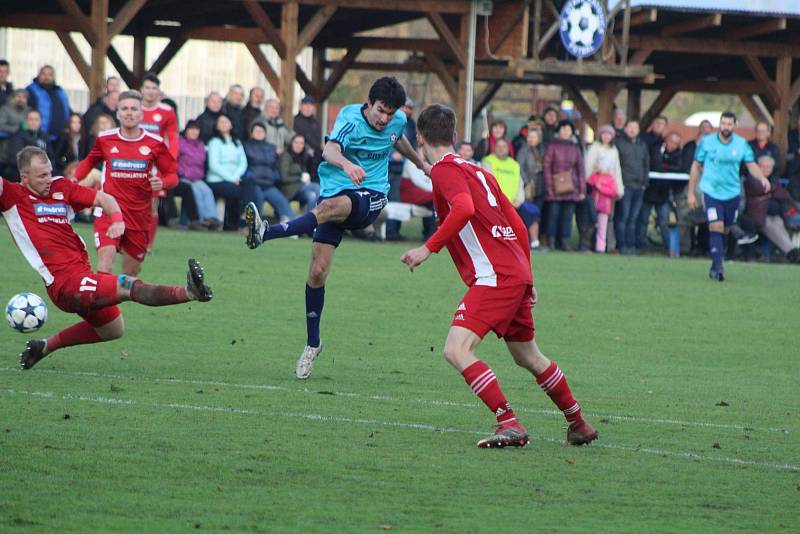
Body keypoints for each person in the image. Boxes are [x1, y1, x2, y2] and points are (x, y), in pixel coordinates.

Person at [399, 103, 598, 448]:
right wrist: (529, 279)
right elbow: (518, 225)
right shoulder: (479, 172)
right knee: (527, 356)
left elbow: (463, 209)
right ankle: (578, 423)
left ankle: (509, 422)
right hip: (514, 272)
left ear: (420, 137)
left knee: (456, 349)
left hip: (494, 276)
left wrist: (426, 249)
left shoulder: (448, 171)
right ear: (455, 135)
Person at [243, 76, 429, 379]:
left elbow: (400, 140)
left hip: (372, 196)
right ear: (369, 104)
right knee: (317, 273)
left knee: (328, 208)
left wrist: (423, 165)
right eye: (380, 110)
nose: (384, 119)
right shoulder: (350, 118)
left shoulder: (396, 122)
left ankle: (266, 232)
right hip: (337, 189)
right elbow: (329, 151)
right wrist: (346, 164)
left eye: (390, 113)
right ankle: (313, 344)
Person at [1, 147, 213, 371]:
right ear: (24, 177)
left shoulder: (60, 186)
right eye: (41, 176)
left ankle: (43, 347)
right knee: (126, 285)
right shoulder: (12, 195)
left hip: (83, 274)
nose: (48, 179)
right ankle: (190, 292)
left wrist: (118, 219)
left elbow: (103, 197)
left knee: (113, 329)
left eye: (49, 172)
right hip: (65, 284)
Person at [74, 90, 178, 277]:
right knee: (105, 266)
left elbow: (172, 175)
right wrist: (75, 178)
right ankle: (101, 305)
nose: (129, 113)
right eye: (124, 109)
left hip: (138, 215)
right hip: (107, 210)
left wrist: (161, 182)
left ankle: (118, 298)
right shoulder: (105, 139)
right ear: (118, 113)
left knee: (130, 276)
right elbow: (89, 161)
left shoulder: (155, 143)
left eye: (133, 109)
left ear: (141, 113)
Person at [688, 112, 771, 281]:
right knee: (716, 226)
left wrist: (762, 177)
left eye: (729, 124)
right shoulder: (707, 142)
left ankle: (717, 263)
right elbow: (696, 166)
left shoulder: (741, 145)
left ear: (734, 126)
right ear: (720, 124)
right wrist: (691, 193)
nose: (726, 127)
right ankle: (717, 268)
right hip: (711, 191)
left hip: (732, 193)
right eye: (723, 123)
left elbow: (751, 165)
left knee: (725, 229)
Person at [482, 138, 540, 249]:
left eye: (504, 147)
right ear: (494, 148)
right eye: (498, 146)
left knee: (532, 213)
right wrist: (500, 202)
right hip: (495, 204)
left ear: (508, 149)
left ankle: (534, 243)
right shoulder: (488, 161)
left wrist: (518, 200)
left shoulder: (514, 164)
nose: (501, 149)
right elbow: (487, 184)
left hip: (514, 203)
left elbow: (520, 184)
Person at [743, 155, 800, 263]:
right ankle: (792, 252)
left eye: (769, 167)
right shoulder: (752, 178)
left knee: (779, 225)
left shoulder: (773, 179)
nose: (766, 169)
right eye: (763, 167)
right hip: (758, 215)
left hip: (774, 214)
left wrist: (768, 194)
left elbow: (783, 194)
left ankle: (792, 251)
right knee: (771, 227)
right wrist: (771, 192)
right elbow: (760, 189)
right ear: (758, 167)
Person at [543, 120, 585, 251]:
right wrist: (550, 187)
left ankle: (565, 241)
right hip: (555, 188)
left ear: (572, 132)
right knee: (553, 215)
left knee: (568, 217)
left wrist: (582, 190)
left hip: (572, 187)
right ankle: (551, 241)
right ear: (559, 131)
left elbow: (581, 170)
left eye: (568, 129)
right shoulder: (552, 146)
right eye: (563, 129)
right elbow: (547, 167)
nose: (565, 131)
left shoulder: (576, 148)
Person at [638, 132, 682, 253]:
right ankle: (639, 246)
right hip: (649, 191)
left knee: (664, 222)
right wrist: (665, 167)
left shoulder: (677, 154)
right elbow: (654, 165)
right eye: (671, 142)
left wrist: (664, 167)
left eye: (676, 144)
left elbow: (679, 168)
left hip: (663, 194)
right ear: (666, 140)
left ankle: (670, 249)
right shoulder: (654, 150)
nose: (673, 145)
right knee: (643, 221)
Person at [242, 122, 292, 222]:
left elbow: (276, 164)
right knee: (257, 201)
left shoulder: (272, 147)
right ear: (252, 133)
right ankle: (255, 227)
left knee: (283, 202)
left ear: (265, 133)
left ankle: (290, 227)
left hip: (269, 184)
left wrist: (276, 176)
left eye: (261, 131)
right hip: (254, 183)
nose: (259, 133)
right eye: (256, 131)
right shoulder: (246, 146)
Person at [585, 124, 623, 253]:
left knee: (607, 219)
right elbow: (589, 167)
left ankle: (605, 246)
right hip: (595, 188)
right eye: (604, 134)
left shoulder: (614, 150)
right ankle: (589, 244)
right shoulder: (595, 148)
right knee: (592, 218)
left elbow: (617, 170)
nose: (606, 136)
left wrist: (619, 188)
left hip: (609, 189)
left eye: (609, 134)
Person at [206, 113, 247, 230]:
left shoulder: (237, 142)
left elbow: (243, 162)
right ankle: (232, 224)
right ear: (217, 126)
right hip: (217, 179)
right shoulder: (214, 142)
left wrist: (236, 176)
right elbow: (214, 165)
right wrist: (231, 178)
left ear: (231, 124)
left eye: (226, 121)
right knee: (236, 191)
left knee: (251, 186)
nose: (224, 124)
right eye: (221, 122)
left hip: (235, 178)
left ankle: (247, 220)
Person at [614, 119, 650, 254]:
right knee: (623, 217)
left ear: (639, 130)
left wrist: (645, 183)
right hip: (625, 186)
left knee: (633, 219)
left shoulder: (642, 145)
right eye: (630, 127)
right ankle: (622, 245)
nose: (632, 130)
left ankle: (632, 246)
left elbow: (646, 164)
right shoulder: (619, 144)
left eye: (635, 127)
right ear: (625, 129)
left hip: (639, 187)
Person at [178, 120, 221, 229]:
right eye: (191, 129)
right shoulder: (180, 142)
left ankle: (212, 218)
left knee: (207, 191)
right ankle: (200, 220)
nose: (194, 132)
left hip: (197, 178)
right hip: (184, 177)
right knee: (195, 192)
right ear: (186, 131)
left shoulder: (201, 145)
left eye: (196, 130)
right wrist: (181, 172)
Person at [26, 65, 71, 144]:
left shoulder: (60, 92)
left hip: (61, 137)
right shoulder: (30, 91)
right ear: (38, 75)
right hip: (39, 136)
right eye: (44, 74)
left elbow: (67, 110)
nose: (46, 77)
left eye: (50, 75)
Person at [5, 109, 54, 182]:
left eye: (36, 119)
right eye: (30, 119)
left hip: (43, 174)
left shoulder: (45, 137)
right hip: (23, 176)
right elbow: (14, 160)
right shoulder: (17, 136)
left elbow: (51, 157)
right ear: (26, 121)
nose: (33, 122)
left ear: (40, 122)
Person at [279, 133, 321, 215]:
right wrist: (300, 178)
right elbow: (284, 178)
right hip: (288, 189)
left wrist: (306, 177)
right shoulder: (286, 156)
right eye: (296, 142)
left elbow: (303, 172)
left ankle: (308, 222)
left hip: (299, 188)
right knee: (316, 187)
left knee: (311, 196)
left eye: (301, 143)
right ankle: (319, 217)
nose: (299, 145)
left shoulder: (302, 156)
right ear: (291, 143)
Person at [0, 88, 29, 175]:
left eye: (23, 97)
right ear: (12, 98)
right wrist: (17, 129)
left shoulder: (29, 110)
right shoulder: (5, 109)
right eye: (18, 96)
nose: (21, 99)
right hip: (6, 150)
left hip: (24, 150)